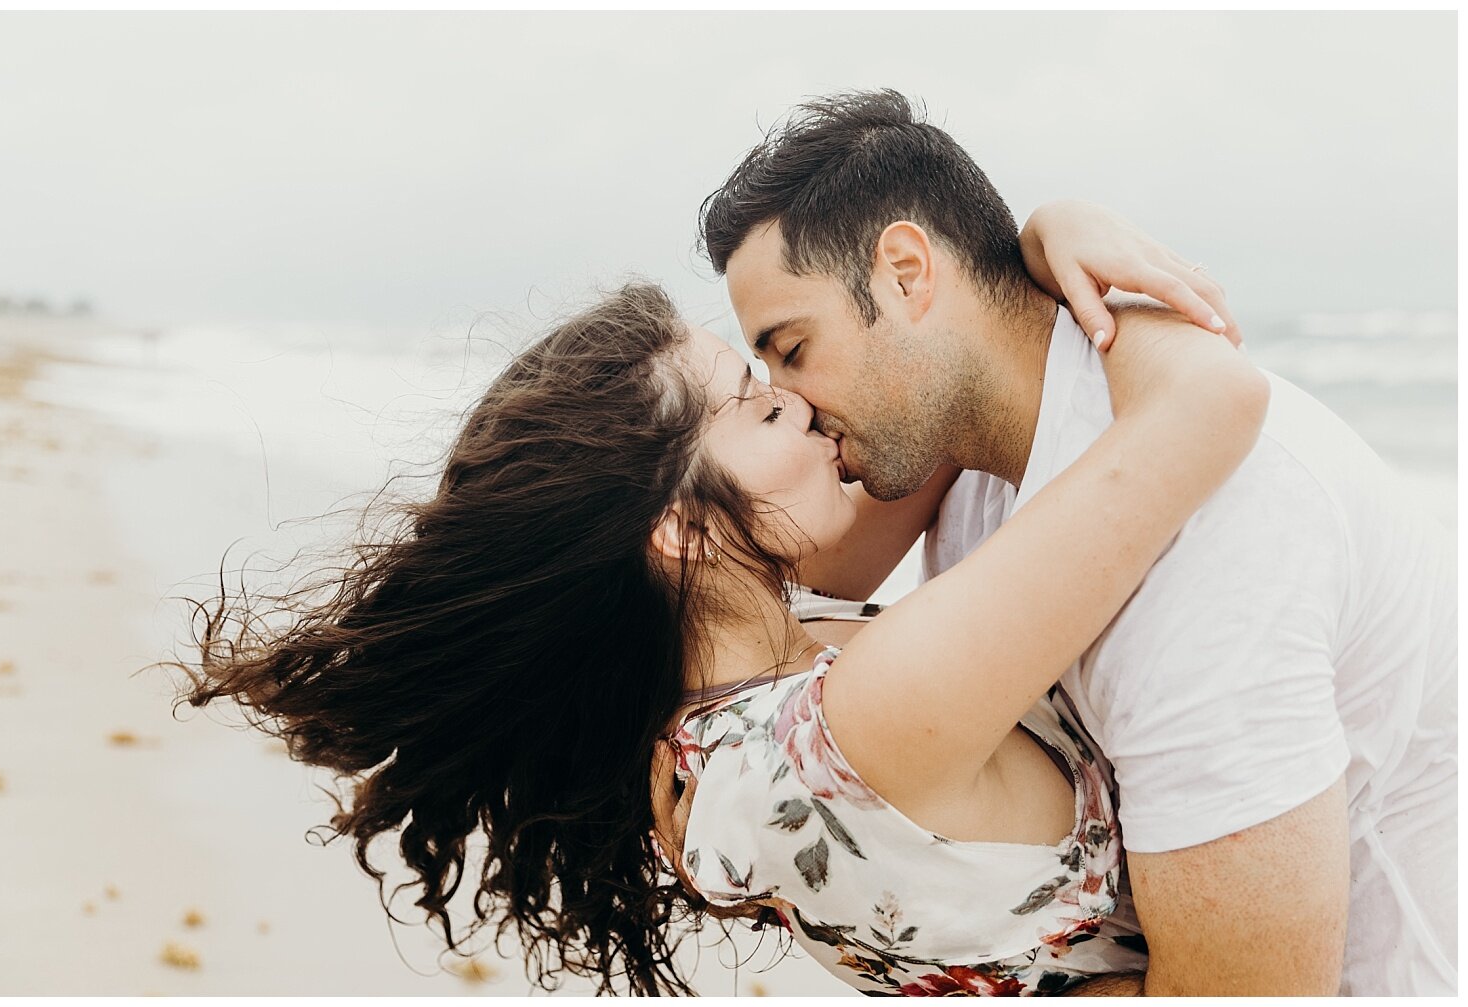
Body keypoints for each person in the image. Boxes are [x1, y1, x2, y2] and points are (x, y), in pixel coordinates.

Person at [175, 204, 1256, 996]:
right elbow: (1213, 400)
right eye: (753, 401)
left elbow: (940, 401)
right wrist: (1074, 282)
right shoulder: (850, 726)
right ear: (683, 531)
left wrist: (1027, 240)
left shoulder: (718, 718)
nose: (796, 398)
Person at [695, 89, 1456, 996]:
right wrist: (1048, 225)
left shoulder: (1209, 542)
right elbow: (752, 574)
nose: (798, 404)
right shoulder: (970, 454)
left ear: (906, 274)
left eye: (792, 347)